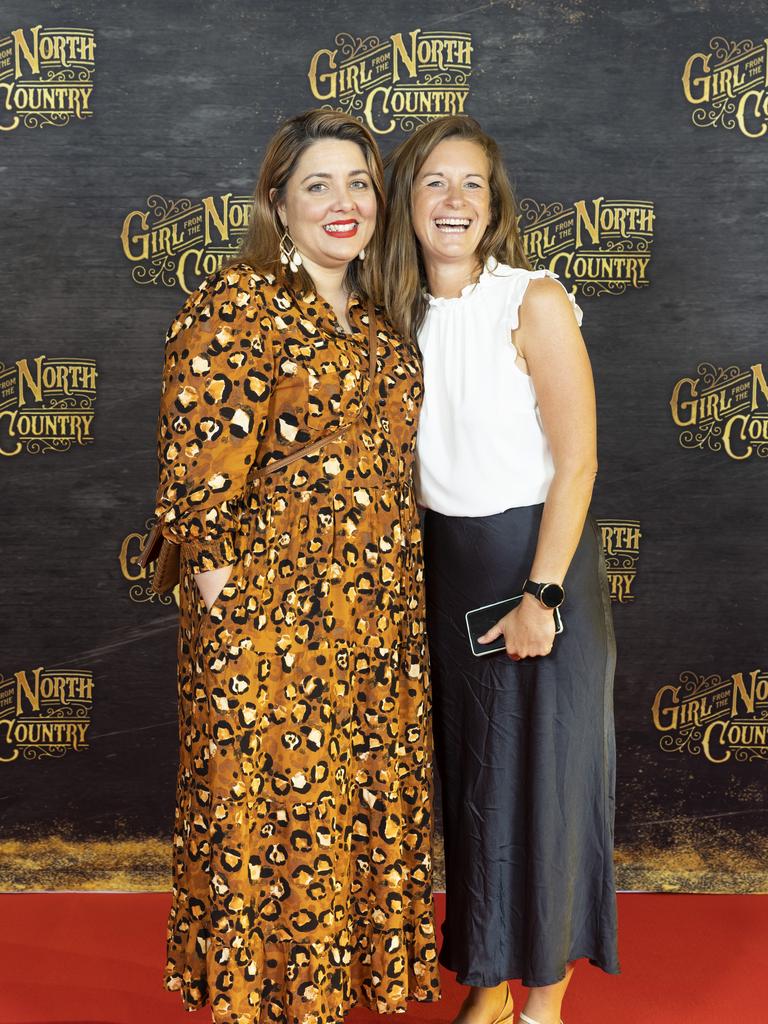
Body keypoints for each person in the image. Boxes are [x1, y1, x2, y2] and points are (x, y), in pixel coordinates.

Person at [152, 109, 440, 1024]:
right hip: (269, 630)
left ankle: (324, 1001)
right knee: (271, 827)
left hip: (376, 630)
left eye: (359, 182)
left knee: (344, 822)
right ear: (278, 202)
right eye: (318, 185)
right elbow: (197, 474)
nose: (343, 202)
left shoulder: (385, 320)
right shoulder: (236, 302)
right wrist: (229, 606)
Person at [384, 115, 619, 1024]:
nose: (453, 201)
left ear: (495, 203)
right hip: (447, 573)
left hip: (538, 570)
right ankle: (485, 982)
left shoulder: (534, 299)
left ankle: (545, 1001)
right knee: (477, 786)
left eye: (471, 183)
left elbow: (579, 462)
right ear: (406, 202)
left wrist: (542, 595)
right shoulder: (390, 316)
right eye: (434, 182)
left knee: (549, 784)